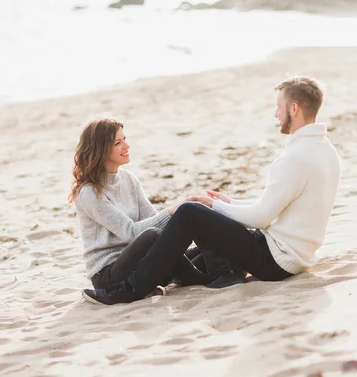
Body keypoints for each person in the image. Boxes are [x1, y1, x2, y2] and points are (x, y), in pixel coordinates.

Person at [82, 75, 341, 305]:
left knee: (189, 213)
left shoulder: (294, 158)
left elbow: (262, 217)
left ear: (293, 109)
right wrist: (228, 203)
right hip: (291, 255)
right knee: (197, 238)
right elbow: (274, 205)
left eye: (279, 108)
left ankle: (130, 290)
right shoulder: (326, 153)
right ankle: (221, 273)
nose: (276, 115)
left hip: (275, 260)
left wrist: (213, 206)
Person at [70, 118, 221, 294]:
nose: (127, 146)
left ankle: (199, 273)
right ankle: (198, 279)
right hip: (109, 274)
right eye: (118, 143)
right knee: (152, 236)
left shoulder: (128, 178)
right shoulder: (89, 193)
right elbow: (132, 233)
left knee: (201, 251)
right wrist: (173, 211)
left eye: (125, 139)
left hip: (144, 261)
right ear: (101, 150)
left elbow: (154, 220)